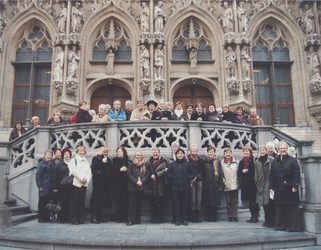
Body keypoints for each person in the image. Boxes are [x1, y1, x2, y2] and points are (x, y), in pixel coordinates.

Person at [269, 141, 302, 232]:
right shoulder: (275, 161)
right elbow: (271, 175)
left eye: (284, 148)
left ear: (287, 149)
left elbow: (296, 175)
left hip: (290, 188)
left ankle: (292, 227)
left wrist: (295, 186)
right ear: (278, 150)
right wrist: (271, 188)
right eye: (281, 148)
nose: (283, 150)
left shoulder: (293, 160)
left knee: (291, 208)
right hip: (279, 188)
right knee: (280, 208)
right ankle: (280, 226)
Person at [165, 148, 195, 226]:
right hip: (175, 188)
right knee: (177, 204)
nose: (180, 155)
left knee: (185, 204)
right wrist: (173, 177)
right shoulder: (172, 164)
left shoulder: (188, 164)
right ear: (176, 155)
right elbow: (167, 174)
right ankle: (177, 220)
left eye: (181, 153)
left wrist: (188, 177)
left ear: (184, 155)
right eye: (178, 153)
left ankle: (185, 220)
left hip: (186, 187)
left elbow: (193, 174)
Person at [68, 146, 92, 225]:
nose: (82, 152)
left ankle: (80, 218)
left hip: (83, 184)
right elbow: (73, 171)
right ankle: (74, 219)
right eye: (80, 151)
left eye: (83, 151)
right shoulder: (74, 160)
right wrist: (81, 178)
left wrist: (86, 179)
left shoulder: (86, 161)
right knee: (74, 202)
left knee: (81, 202)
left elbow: (89, 171)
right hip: (76, 183)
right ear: (77, 152)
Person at [127, 149, 150, 225]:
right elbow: (129, 175)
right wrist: (136, 182)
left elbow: (147, 175)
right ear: (134, 156)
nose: (138, 157)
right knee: (132, 205)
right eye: (137, 155)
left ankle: (137, 220)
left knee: (139, 204)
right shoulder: (131, 164)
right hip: (133, 187)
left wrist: (142, 182)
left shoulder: (145, 164)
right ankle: (131, 220)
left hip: (141, 187)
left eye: (139, 155)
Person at [90, 147, 112, 224]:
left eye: (106, 152)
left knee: (103, 200)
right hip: (98, 183)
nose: (105, 154)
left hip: (105, 183)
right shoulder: (96, 159)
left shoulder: (108, 160)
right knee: (96, 200)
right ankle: (94, 217)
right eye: (104, 152)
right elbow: (94, 169)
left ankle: (100, 216)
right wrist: (102, 162)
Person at [237, 145, 259, 223]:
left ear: (250, 152)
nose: (245, 153)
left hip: (252, 184)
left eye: (247, 151)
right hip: (245, 184)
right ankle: (252, 215)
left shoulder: (254, 160)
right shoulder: (242, 161)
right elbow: (238, 172)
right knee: (249, 202)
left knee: (254, 201)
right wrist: (242, 171)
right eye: (244, 151)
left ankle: (255, 216)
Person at [254, 145, 275, 228]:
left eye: (263, 150)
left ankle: (271, 221)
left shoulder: (271, 160)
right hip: (261, 185)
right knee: (264, 205)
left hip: (269, 184)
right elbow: (256, 174)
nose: (262, 152)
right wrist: (257, 184)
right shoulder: (257, 162)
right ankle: (267, 220)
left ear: (266, 151)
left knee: (269, 204)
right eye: (260, 150)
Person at [203, 146, 223, 222]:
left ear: (214, 152)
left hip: (215, 184)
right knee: (208, 201)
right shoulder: (205, 161)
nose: (211, 153)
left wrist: (221, 184)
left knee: (214, 201)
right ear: (207, 153)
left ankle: (214, 217)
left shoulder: (217, 161)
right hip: (207, 184)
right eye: (210, 152)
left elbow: (220, 173)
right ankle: (209, 217)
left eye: (212, 152)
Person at [148, 147, 167, 223]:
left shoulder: (163, 161)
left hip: (160, 185)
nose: (155, 154)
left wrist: (155, 176)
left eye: (156, 152)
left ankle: (160, 219)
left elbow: (164, 170)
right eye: (154, 152)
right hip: (152, 186)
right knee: (153, 203)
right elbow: (147, 171)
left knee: (160, 203)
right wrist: (151, 176)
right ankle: (153, 219)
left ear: (159, 153)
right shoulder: (149, 162)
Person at [53, 148, 72, 223]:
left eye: (68, 154)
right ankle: (61, 218)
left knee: (69, 203)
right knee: (62, 203)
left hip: (70, 186)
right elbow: (55, 177)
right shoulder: (59, 165)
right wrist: (55, 187)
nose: (67, 156)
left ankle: (68, 218)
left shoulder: (72, 163)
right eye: (65, 154)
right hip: (61, 187)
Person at [35, 150, 55, 223]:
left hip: (50, 186)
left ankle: (46, 217)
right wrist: (39, 186)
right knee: (42, 203)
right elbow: (38, 175)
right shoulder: (41, 164)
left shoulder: (52, 164)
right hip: (43, 186)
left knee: (47, 203)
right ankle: (41, 218)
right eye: (48, 154)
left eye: (50, 155)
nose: (49, 156)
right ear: (45, 155)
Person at [112, 146, 130, 223]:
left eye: (120, 151)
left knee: (125, 201)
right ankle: (118, 218)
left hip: (126, 184)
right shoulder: (114, 161)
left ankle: (124, 217)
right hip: (117, 184)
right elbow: (112, 173)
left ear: (123, 152)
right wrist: (120, 170)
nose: (118, 153)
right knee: (118, 202)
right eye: (117, 152)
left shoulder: (128, 161)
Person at [221, 148, 239, 222]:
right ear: (224, 155)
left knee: (235, 201)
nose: (228, 154)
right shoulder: (222, 163)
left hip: (235, 184)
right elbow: (221, 174)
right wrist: (224, 181)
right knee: (228, 201)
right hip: (227, 184)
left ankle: (235, 215)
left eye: (229, 153)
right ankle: (230, 216)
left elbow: (238, 173)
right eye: (226, 153)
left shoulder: (236, 162)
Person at [188, 144, 204, 223]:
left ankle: (197, 216)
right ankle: (193, 216)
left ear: (197, 151)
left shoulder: (200, 160)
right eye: (192, 150)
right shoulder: (188, 159)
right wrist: (192, 177)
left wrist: (197, 176)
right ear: (190, 150)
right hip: (191, 180)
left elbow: (202, 170)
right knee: (192, 198)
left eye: (195, 150)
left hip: (198, 180)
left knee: (198, 198)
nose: (194, 151)